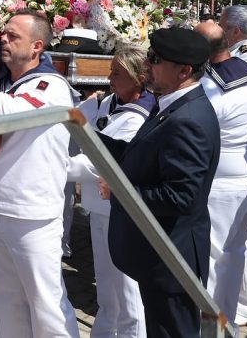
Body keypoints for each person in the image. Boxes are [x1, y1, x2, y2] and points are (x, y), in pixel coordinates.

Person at [0, 12, 81, 338]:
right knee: (7, 302)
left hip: (34, 216)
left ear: (37, 47)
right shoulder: (8, 84)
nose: (3, 40)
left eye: (13, 36)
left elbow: (12, 112)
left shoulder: (50, 85)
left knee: (48, 308)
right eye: (4, 34)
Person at [99, 27, 220, 338]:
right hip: (159, 254)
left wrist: (119, 192)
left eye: (155, 59)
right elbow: (144, 155)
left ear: (184, 71)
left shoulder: (187, 119)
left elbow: (181, 196)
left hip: (171, 258)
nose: (147, 65)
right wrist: (91, 140)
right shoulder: (172, 104)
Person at [67, 47, 152, 338]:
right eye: (111, 71)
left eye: (117, 73)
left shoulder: (139, 116)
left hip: (123, 212)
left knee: (128, 292)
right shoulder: (109, 102)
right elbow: (82, 124)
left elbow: (98, 163)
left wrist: (53, 168)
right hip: (100, 207)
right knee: (106, 286)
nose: (109, 78)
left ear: (139, 78)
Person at [195, 21, 247, 325]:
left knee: (215, 260)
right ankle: (229, 321)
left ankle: (215, 326)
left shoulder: (209, 86)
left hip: (221, 182)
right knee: (235, 254)